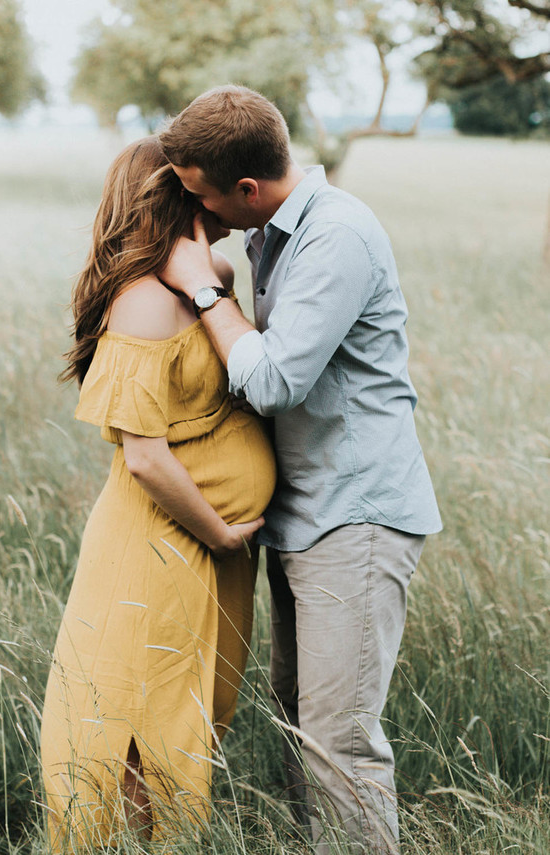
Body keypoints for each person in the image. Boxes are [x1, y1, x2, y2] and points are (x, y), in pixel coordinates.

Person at [158, 85, 442, 855]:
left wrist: (203, 287)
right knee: (299, 724)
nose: (204, 216)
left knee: (338, 742)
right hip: (308, 514)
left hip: (357, 515)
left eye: (205, 198)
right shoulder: (273, 231)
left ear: (247, 189)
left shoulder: (335, 236)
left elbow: (278, 378)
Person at [39, 136, 276, 851]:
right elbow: (144, 457)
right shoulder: (143, 301)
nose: (226, 194)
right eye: (203, 185)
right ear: (179, 195)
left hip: (211, 544)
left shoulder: (214, 273)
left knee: (197, 705)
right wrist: (221, 530)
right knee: (138, 714)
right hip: (165, 540)